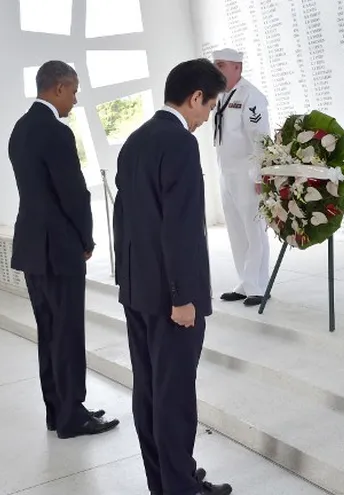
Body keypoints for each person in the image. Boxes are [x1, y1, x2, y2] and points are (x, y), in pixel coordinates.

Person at [113, 58, 232, 495]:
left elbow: (123, 220)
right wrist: (184, 298)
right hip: (171, 297)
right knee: (175, 397)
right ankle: (182, 489)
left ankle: (165, 482)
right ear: (195, 97)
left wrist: (126, 281)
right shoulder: (180, 144)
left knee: (148, 391)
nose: (206, 117)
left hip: (137, 290)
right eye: (208, 106)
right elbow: (179, 228)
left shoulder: (134, 140)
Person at [8, 60, 120, 438]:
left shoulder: (20, 129)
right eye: (72, 91)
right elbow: (73, 193)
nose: (74, 99)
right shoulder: (55, 131)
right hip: (59, 248)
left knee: (49, 331)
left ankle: (59, 409)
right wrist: (86, 240)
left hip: (31, 246)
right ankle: (73, 416)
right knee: (68, 333)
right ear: (57, 88)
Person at [212, 48, 271, 307]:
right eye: (215, 64)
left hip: (248, 173)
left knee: (254, 229)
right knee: (235, 228)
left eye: (221, 65)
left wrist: (260, 174)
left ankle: (258, 285)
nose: (217, 69)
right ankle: (244, 281)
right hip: (227, 171)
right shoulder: (220, 95)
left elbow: (260, 139)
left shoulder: (251, 96)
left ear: (237, 67)